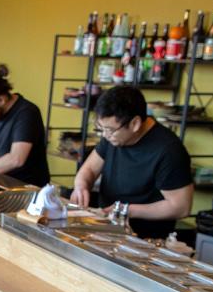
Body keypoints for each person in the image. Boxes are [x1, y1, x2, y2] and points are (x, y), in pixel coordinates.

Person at [71, 86, 194, 239]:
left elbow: (181, 207)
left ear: (135, 123)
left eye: (109, 130)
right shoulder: (113, 136)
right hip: (107, 230)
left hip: (144, 239)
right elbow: (89, 169)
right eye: (101, 129)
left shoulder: (169, 151)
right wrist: (81, 186)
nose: (105, 135)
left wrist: (126, 210)